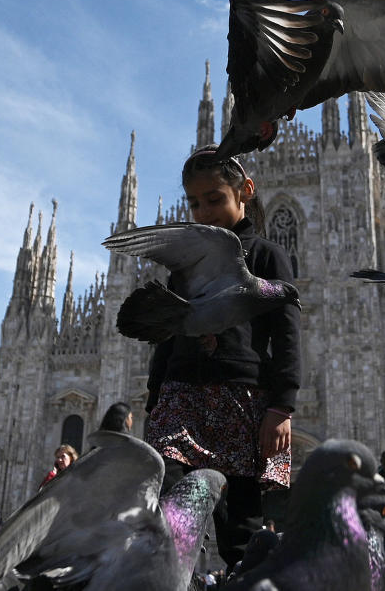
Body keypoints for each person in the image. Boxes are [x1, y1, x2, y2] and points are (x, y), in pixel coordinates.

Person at [145, 145, 302, 568]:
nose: (204, 212)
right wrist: (154, 397)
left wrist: (282, 404)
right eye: (194, 203)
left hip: (240, 400)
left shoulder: (268, 255)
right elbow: (167, 331)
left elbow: (287, 334)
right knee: (166, 506)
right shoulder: (185, 261)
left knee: (240, 528)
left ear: (244, 192)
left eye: (214, 199)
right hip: (180, 398)